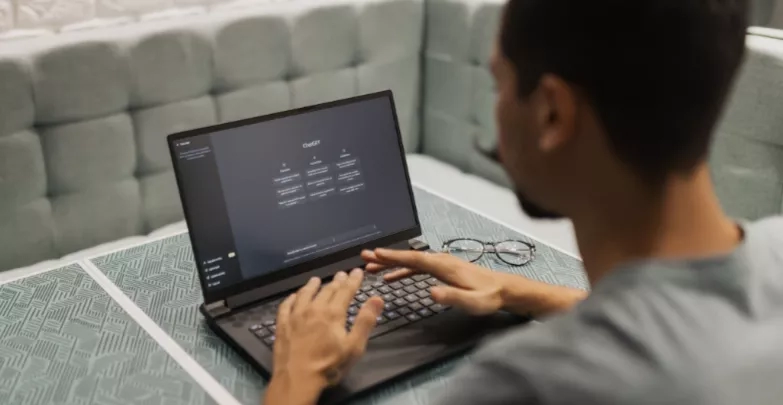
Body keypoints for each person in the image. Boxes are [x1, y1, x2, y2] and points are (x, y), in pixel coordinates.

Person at [264, 0, 783, 404]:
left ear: (552, 114)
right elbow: (690, 322)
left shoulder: (530, 384)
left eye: (499, 84)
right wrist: (524, 292)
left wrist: (295, 378)